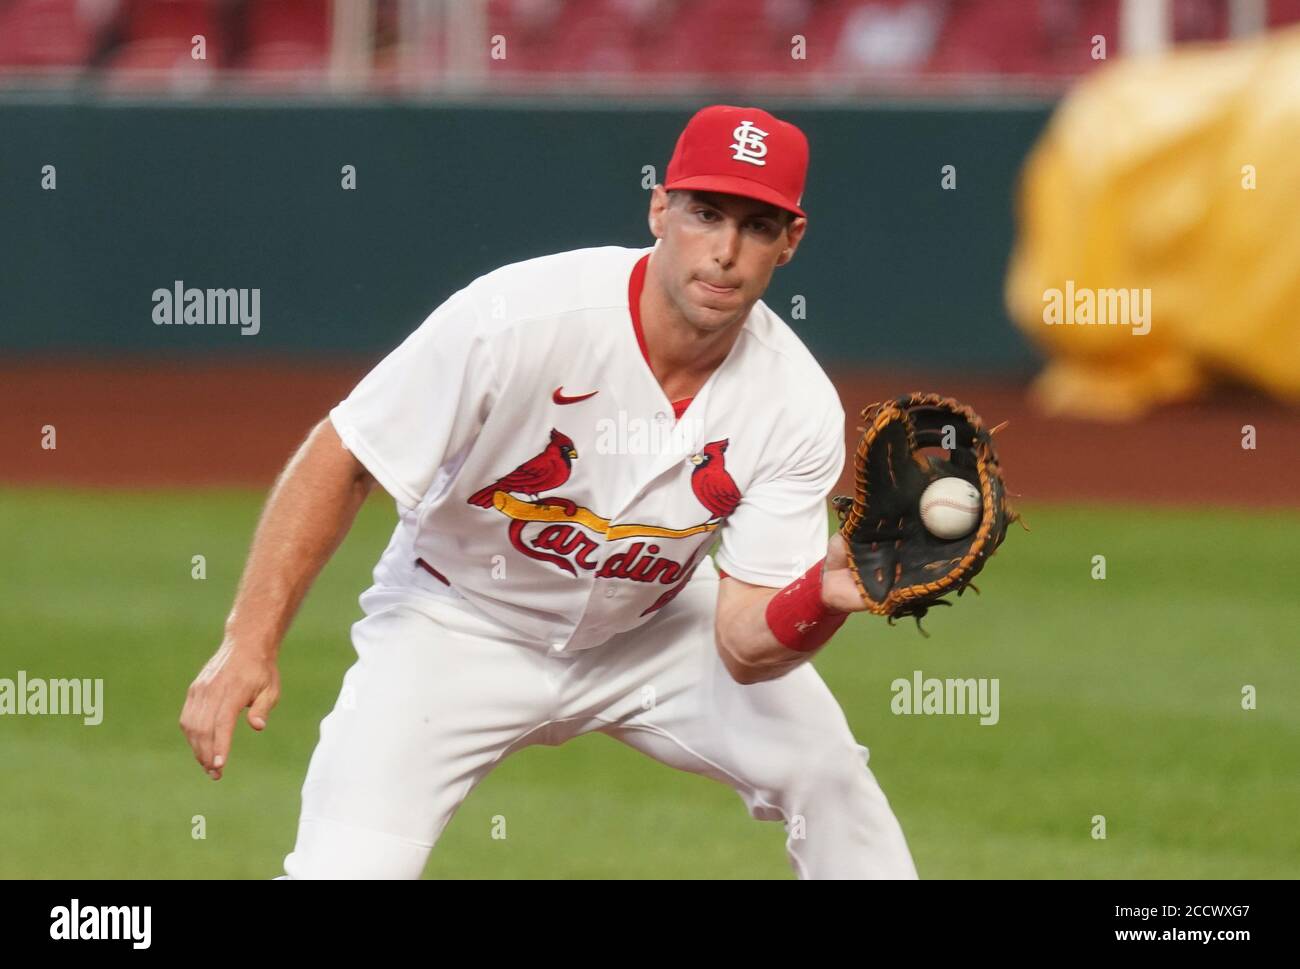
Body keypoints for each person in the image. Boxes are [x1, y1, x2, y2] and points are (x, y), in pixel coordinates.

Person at [180, 104, 918, 879]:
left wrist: (823, 596)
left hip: (656, 629)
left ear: (790, 241)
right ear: (660, 209)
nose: (726, 251)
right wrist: (249, 640)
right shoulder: (521, 317)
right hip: (456, 620)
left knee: (832, 777)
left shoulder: (794, 400)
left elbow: (740, 644)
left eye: (757, 226)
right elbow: (347, 453)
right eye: (706, 213)